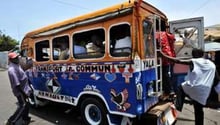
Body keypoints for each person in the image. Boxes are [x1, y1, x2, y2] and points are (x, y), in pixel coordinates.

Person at [160, 48, 216, 125]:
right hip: (204, 91)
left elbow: (178, 61)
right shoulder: (211, 64)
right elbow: (217, 79)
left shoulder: (194, 61)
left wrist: (163, 55)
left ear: (194, 55)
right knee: (198, 109)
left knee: (180, 88)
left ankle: (177, 107)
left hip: (194, 88)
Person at [5, 52, 32, 125]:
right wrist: (24, 93)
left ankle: (25, 118)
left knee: (27, 104)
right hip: (20, 91)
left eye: (17, 57)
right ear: (11, 59)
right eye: (14, 58)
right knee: (22, 105)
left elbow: (23, 70)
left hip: (24, 89)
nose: (17, 59)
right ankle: (12, 121)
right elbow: (17, 85)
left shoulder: (16, 65)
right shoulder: (12, 70)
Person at [156, 31, 176, 99]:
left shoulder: (157, 33)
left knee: (165, 76)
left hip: (163, 57)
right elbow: (173, 39)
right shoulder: (166, 34)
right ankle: (170, 91)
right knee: (169, 75)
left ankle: (169, 92)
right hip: (169, 56)